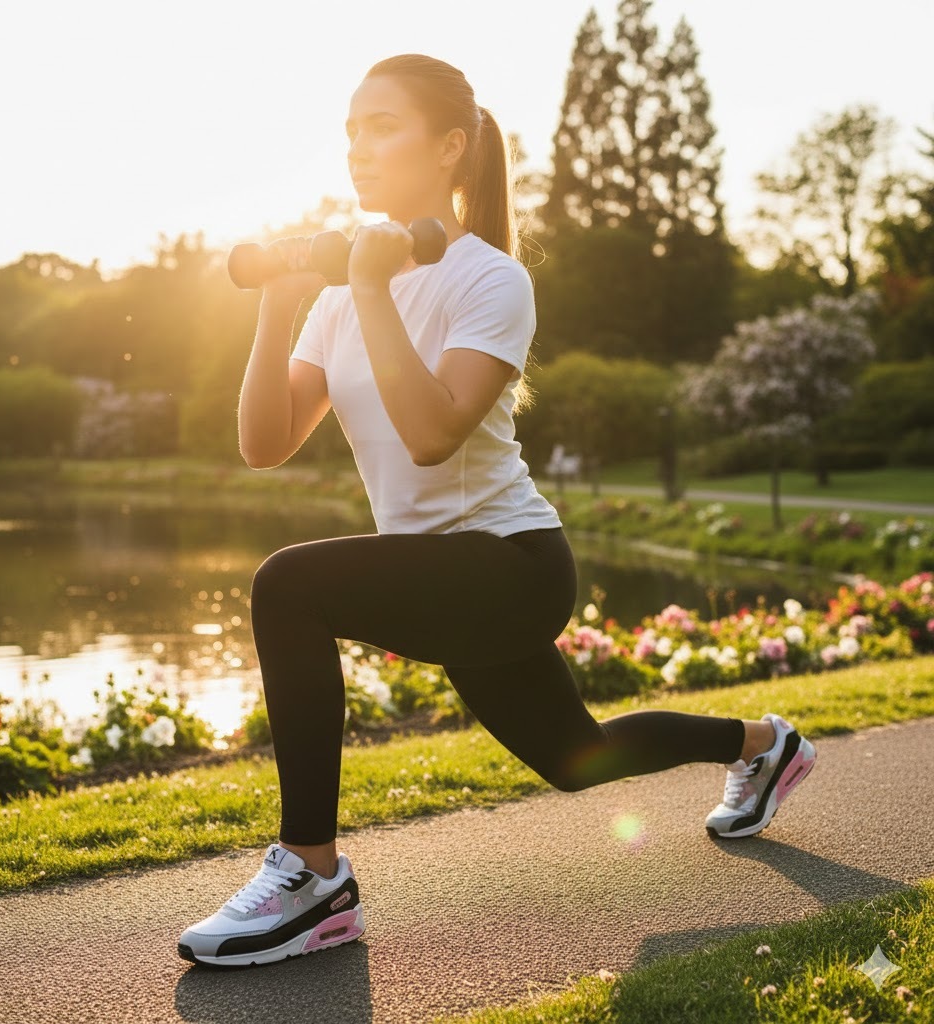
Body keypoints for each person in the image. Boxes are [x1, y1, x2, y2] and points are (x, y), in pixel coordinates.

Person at [177, 53, 818, 969]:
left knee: (289, 586)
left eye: (382, 126)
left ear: (449, 148)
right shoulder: (337, 295)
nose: (358, 147)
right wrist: (280, 304)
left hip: (509, 565)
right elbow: (262, 443)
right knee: (573, 756)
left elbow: (433, 433)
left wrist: (367, 285)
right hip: (440, 577)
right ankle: (766, 743)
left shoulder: (491, 281)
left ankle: (313, 878)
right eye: (350, 129)